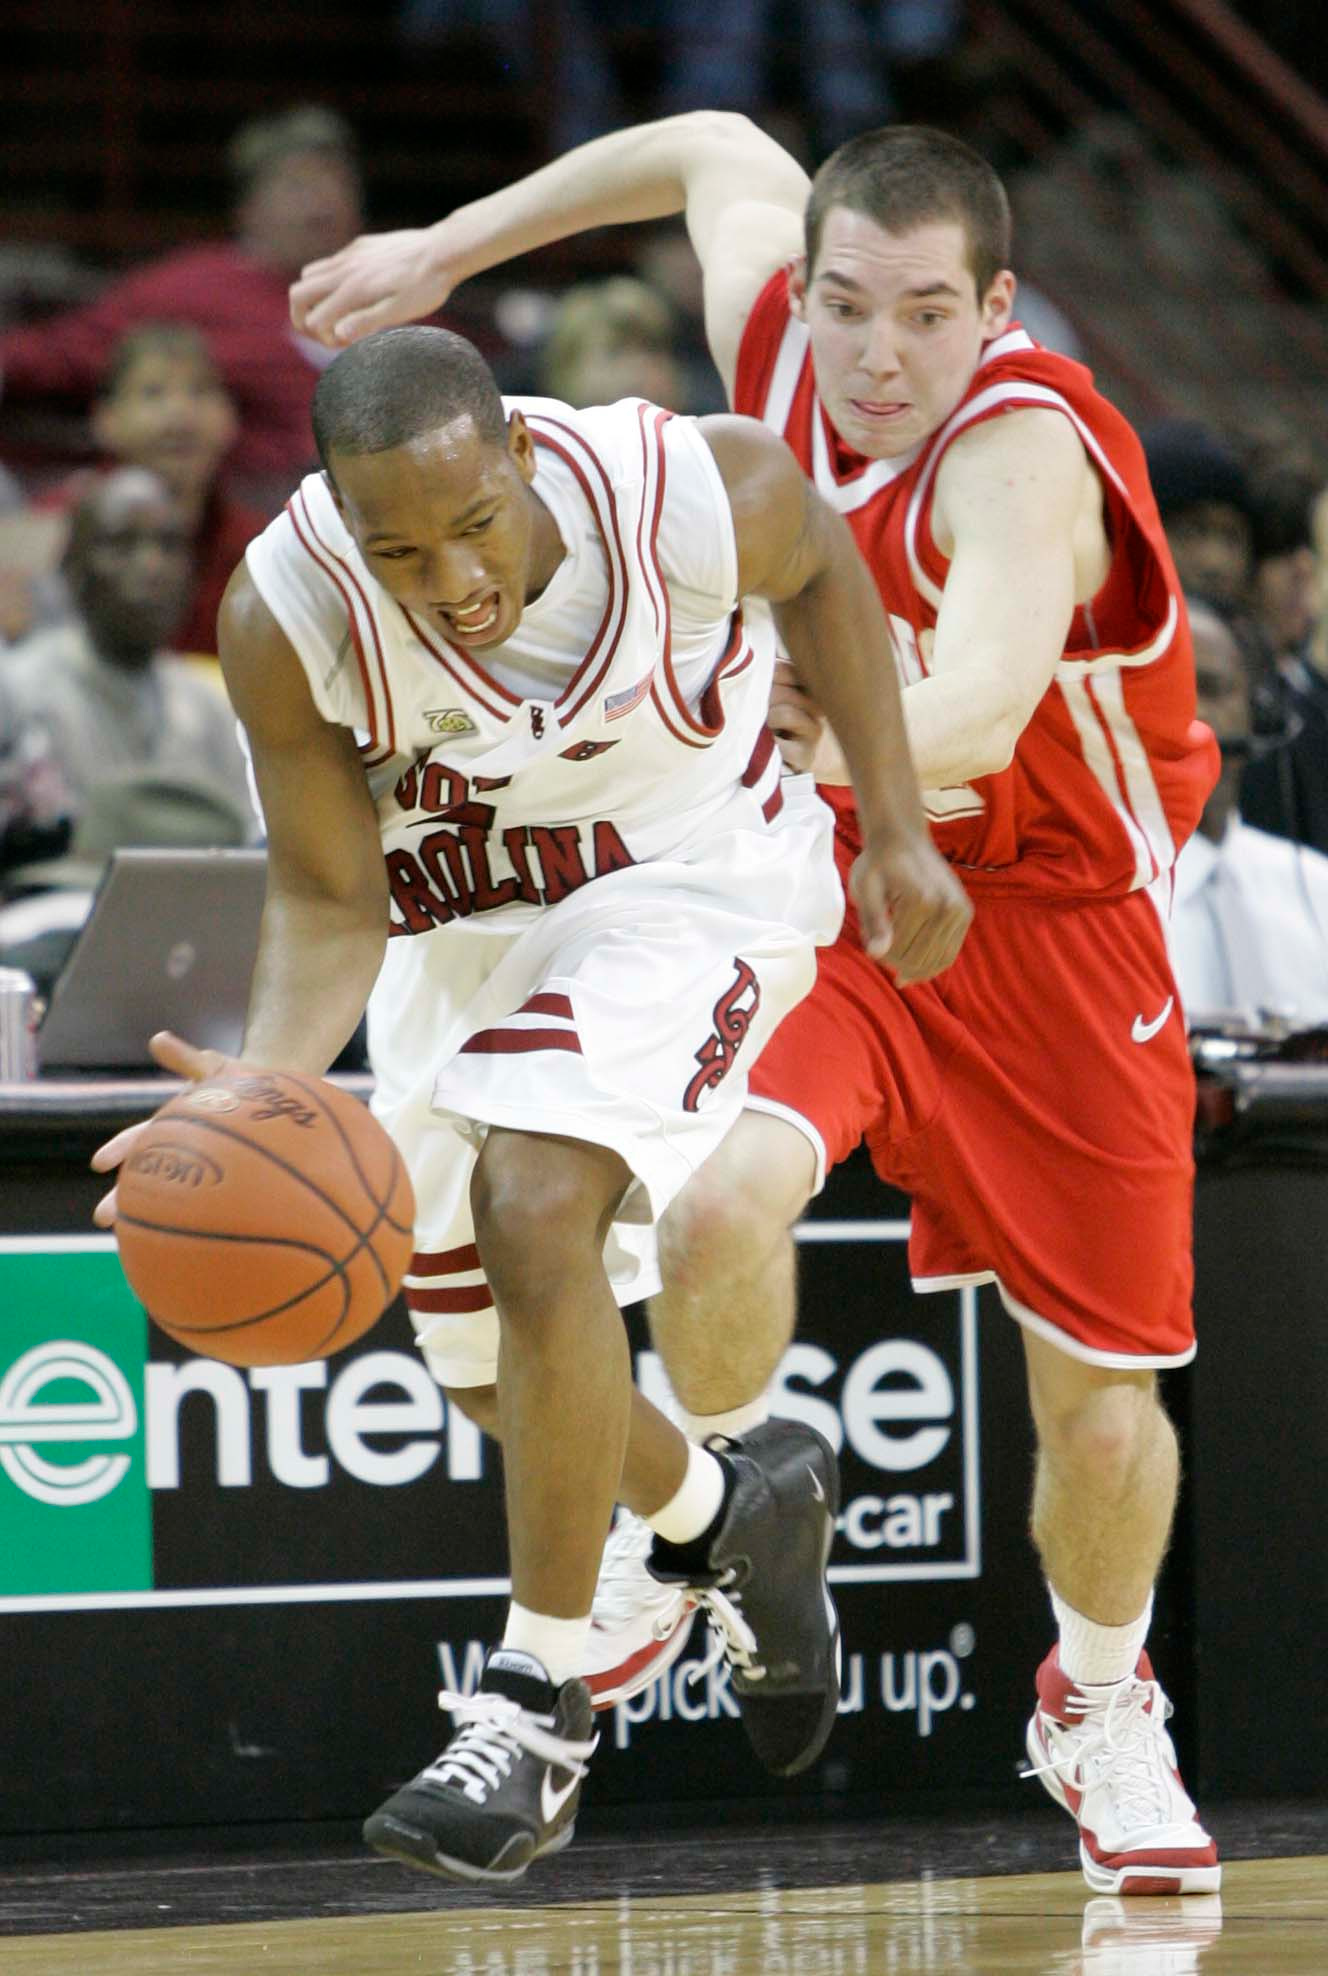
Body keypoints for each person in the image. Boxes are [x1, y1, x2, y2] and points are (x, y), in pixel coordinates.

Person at [290, 110, 1223, 1896]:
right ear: (807, 287)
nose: (878, 356)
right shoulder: (784, 348)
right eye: (849, 306)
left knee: (1097, 1403)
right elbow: (715, 141)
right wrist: (447, 252)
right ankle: (703, 1515)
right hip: (841, 899)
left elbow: (965, 705)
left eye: (926, 317)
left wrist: (768, 714)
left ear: (996, 309)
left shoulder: (1018, 448)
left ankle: (1095, 1699)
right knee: (712, 1202)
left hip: (1044, 925)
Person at [90, 325, 969, 1886]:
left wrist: (891, 822)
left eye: (474, 524)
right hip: (459, 941)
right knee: (490, 1367)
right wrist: (266, 1087)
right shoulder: (287, 612)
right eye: (399, 546)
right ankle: (731, 1511)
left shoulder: (682, 490)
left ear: (515, 448)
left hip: (688, 888)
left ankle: (537, 1702)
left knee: (535, 1206)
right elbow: (324, 889)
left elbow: (825, 560)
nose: (449, 577)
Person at [0, 106, 363, 501]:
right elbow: (60, 350)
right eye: (299, 185)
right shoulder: (191, 287)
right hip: (256, 505)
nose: (323, 201)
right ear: (248, 208)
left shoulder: (397, 289)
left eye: (337, 181)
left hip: (386, 503)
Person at [0, 468, 253, 827]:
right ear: (72, 568)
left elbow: (249, 844)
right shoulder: (19, 693)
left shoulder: (209, 705)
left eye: (168, 545)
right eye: (121, 543)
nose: (151, 567)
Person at [37, 325, 267, 659]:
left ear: (230, 418)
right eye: (152, 393)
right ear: (106, 420)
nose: (180, 414)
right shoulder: (55, 525)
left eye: (199, 392)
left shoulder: (260, 545)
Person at [1158, 597, 1328, 1030]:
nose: (1192, 716)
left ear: (1258, 711)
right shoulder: (1105, 891)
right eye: (1170, 691)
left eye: (1211, 689)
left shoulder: (1316, 885)